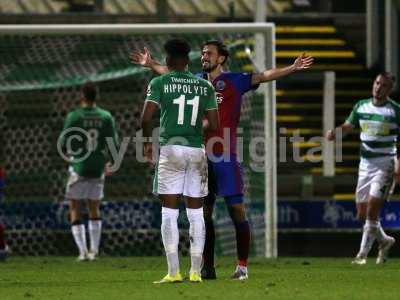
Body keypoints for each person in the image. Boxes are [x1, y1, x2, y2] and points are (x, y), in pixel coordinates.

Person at [132, 40, 313, 280]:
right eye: (203, 53)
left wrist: (292, 67)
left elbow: (264, 76)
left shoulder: (234, 81)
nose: (204, 57)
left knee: (236, 210)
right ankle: (207, 267)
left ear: (222, 58)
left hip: (224, 155)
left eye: (209, 54)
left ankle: (242, 266)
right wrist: (150, 64)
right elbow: (171, 74)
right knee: (203, 214)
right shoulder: (196, 80)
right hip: (198, 154)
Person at [141, 38, 219, 283]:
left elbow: (145, 118)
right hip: (196, 150)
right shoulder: (204, 86)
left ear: (167, 59)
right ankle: (196, 272)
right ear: (188, 60)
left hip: (171, 149)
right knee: (197, 213)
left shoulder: (159, 82)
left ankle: (173, 272)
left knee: (169, 211)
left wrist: (146, 144)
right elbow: (215, 124)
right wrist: (195, 126)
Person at [326, 72, 398, 264]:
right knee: (362, 213)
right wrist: (335, 133)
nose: (378, 87)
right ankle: (385, 241)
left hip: (386, 164)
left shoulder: (395, 111)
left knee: (373, 210)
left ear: (390, 89)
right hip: (365, 165)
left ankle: (362, 255)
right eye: (377, 83)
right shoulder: (361, 106)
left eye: (383, 85)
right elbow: (348, 126)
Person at [60, 82, 118, 261]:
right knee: (94, 207)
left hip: (79, 166)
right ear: (96, 96)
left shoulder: (74, 116)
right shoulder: (106, 116)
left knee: (75, 206)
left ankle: (82, 252)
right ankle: (94, 251)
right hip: (98, 166)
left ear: (82, 96)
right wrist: (112, 162)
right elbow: (113, 143)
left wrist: (70, 155)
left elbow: (63, 143)